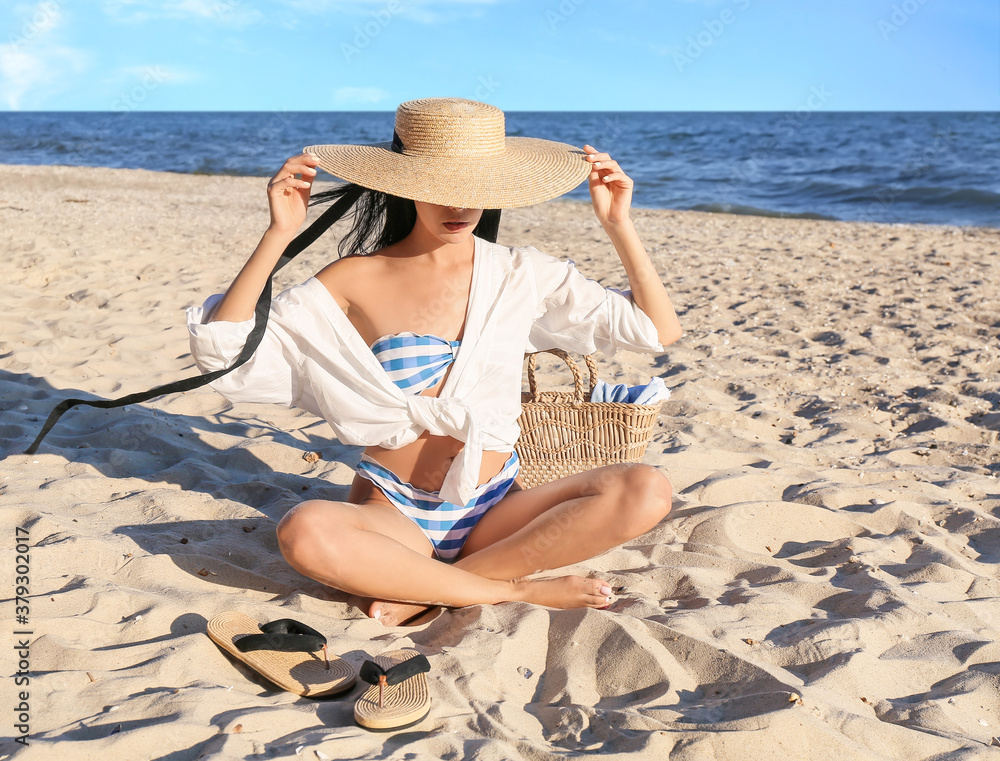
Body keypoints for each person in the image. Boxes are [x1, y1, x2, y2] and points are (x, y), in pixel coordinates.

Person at [186, 97, 682, 626]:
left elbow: (655, 330)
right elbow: (228, 352)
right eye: (442, 188)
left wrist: (618, 225)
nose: (460, 206)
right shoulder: (356, 278)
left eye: (476, 190)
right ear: (406, 184)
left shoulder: (521, 273)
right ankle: (512, 590)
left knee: (645, 489)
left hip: (494, 506)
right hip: (394, 512)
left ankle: (430, 589)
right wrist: (278, 233)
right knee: (303, 529)